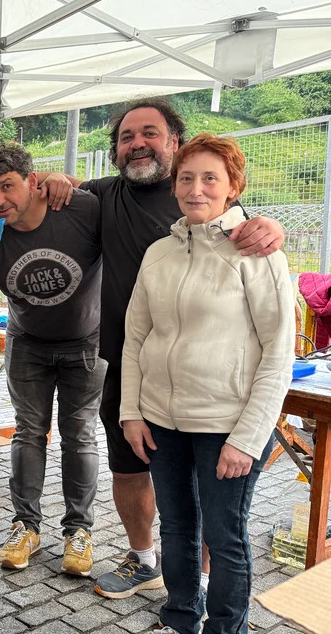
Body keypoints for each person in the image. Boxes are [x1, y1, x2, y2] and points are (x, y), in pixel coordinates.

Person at [37, 98, 285, 598]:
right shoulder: (104, 195)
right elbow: (43, 187)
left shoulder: (214, 211)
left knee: (205, 489)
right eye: (126, 137)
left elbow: (246, 227)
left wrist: (271, 225)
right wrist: (53, 177)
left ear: (174, 141)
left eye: (149, 133)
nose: (137, 144)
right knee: (129, 468)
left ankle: (204, 580)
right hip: (129, 365)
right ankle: (144, 558)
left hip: (207, 383)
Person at [120, 133, 294, 634]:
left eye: (210, 178)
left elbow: (279, 352)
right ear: (174, 185)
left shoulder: (257, 253)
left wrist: (248, 438)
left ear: (233, 186)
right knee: (176, 528)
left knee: (224, 537)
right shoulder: (158, 253)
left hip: (227, 426)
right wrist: (132, 412)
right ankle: (179, 617)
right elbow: (136, 339)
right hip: (162, 423)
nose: (196, 188)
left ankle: (226, 628)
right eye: (186, 178)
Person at [0, 143, 104, 576]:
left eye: (7, 187)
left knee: (79, 436)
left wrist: (69, 179)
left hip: (86, 342)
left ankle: (79, 531)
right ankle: (26, 526)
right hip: (28, 343)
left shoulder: (78, 209)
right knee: (28, 433)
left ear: (33, 181)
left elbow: (126, 210)